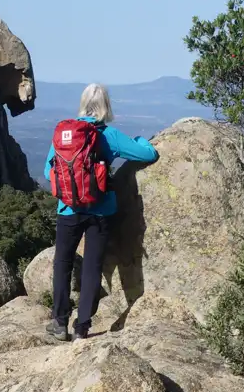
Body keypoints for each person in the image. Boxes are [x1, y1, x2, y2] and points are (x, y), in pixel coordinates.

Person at [44, 83, 159, 341]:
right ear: (106, 106)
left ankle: (59, 322)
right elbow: (148, 153)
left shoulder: (65, 135)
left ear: (82, 104)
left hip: (68, 209)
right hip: (100, 211)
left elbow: (47, 172)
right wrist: (141, 140)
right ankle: (81, 328)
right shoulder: (109, 135)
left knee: (62, 262)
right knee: (92, 266)